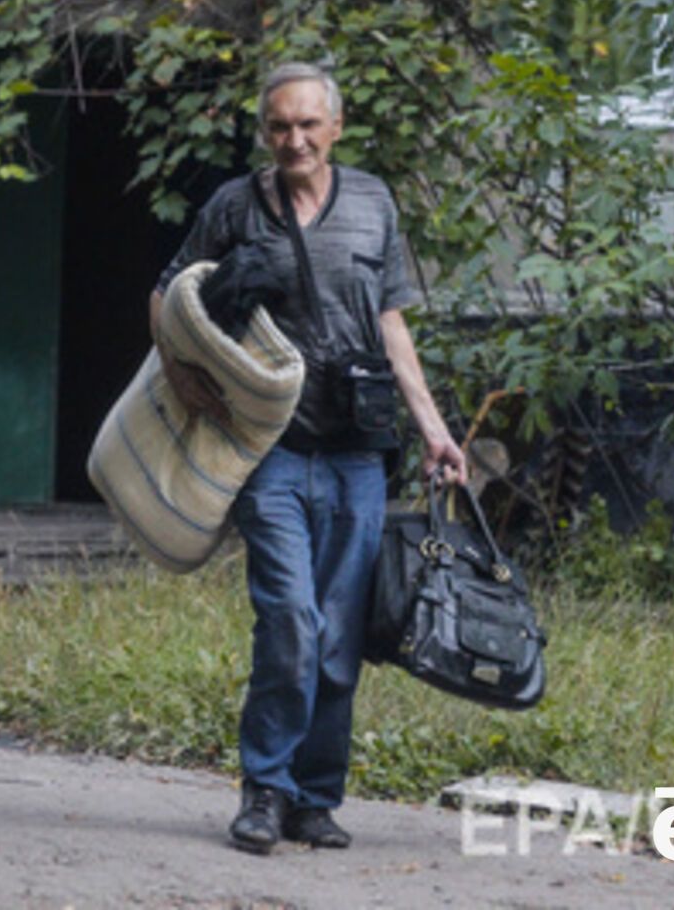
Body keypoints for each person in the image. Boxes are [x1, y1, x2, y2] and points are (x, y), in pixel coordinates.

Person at [151, 63, 467, 854]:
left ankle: (315, 798)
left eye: (308, 125)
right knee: (290, 617)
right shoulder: (236, 206)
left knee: (337, 635)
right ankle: (264, 789)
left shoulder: (373, 203)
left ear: (336, 127)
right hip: (271, 449)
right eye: (280, 126)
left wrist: (433, 428)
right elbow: (167, 294)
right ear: (266, 131)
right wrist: (185, 380)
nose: (294, 139)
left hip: (359, 454)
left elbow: (391, 322)